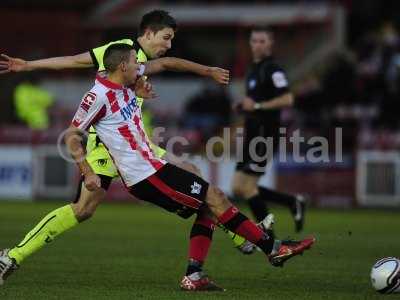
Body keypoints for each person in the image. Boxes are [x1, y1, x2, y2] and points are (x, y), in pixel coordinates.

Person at [0, 44, 315, 291]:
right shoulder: (98, 95)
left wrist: (140, 96)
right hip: (145, 174)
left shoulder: (124, 86)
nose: (142, 68)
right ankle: (271, 247)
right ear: (123, 65)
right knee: (214, 197)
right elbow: (71, 134)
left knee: (207, 201)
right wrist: (88, 171)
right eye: (136, 65)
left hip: (152, 163)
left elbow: (142, 88)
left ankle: (195, 274)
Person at [0, 10, 264, 262]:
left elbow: (166, 63)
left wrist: (203, 72)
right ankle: (14, 255)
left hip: (134, 143)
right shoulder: (122, 50)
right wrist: (28, 66)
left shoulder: (139, 63)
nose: (169, 45)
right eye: (166, 38)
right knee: (83, 210)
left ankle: (239, 236)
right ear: (148, 33)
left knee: (192, 170)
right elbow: (76, 60)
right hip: (105, 144)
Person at [232, 26, 307, 253]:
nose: (257, 44)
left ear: (270, 43)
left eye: (262, 41)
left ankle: (272, 243)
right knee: (237, 187)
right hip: (253, 133)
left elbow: (287, 99)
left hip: (264, 135)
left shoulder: (273, 69)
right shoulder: (254, 69)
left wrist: (256, 106)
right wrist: (245, 107)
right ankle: (291, 202)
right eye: (254, 40)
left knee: (248, 187)